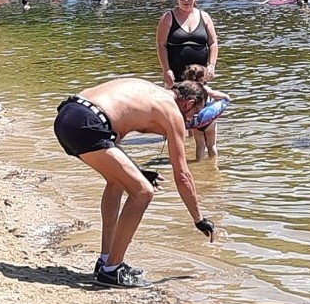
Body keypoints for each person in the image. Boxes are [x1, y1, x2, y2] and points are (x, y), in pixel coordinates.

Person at [53, 78, 216, 288]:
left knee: (116, 181)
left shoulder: (151, 93)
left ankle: (106, 261)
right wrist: (198, 218)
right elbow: (182, 174)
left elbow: (112, 133)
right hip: (88, 123)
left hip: (69, 115)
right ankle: (112, 271)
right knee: (143, 192)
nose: (190, 120)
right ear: (189, 103)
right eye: (193, 114)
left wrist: (137, 171)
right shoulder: (173, 111)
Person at [156, 0, 219, 88]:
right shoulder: (168, 18)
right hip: (174, 75)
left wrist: (211, 65)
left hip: (199, 75)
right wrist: (166, 69)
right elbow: (161, 45)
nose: (186, 0)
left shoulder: (205, 17)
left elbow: (213, 43)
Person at [182, 64, 230, 160]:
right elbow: (215, 95)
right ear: (202, 78)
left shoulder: (187, 90)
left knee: (200, 146)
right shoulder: (205, 89)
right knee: (212, 145)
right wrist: (226, 97)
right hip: (209, 122)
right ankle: (213, 165)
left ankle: (199, 163)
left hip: (196, 121)